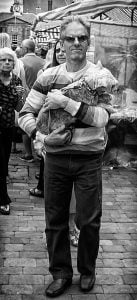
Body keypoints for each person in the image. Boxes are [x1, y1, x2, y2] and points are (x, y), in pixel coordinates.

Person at [18, 16, 110, 297]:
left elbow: (102, 118)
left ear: (89, 40)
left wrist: (65, 103)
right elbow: (25, 115)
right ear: (61, 41)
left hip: (89, 159)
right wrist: (42, 137)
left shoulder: (99, 76)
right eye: (70, 38)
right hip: (56, 159)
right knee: (55, 220)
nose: (76, 43)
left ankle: (87, 271)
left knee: (89, 220)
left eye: (81, 38)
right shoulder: (49, 77)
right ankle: (60, 273)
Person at [29, 40, 66, 198]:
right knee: (47, 155)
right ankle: (43, 187)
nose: (61, 53)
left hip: (67, 124)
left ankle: (48, 187)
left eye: (64, 50)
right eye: (58, 51)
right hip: (49, 121)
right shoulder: (49, 72)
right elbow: (33, 104)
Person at [0, 47, 23, 215]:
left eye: (10, 60)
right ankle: (3, 199)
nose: (7, 62)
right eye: (3, 60)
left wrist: (21, 97)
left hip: (8, 126)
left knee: (4, 161)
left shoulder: (16, 80)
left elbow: (19, 107)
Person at [20, 39, 45, 162]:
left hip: (27, 97)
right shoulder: (44, 62)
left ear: (25, 49)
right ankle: (41, 152)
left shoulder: (20, 62)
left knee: (26, 124)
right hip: (43, 98)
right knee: (41, 123)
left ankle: (28, 154)